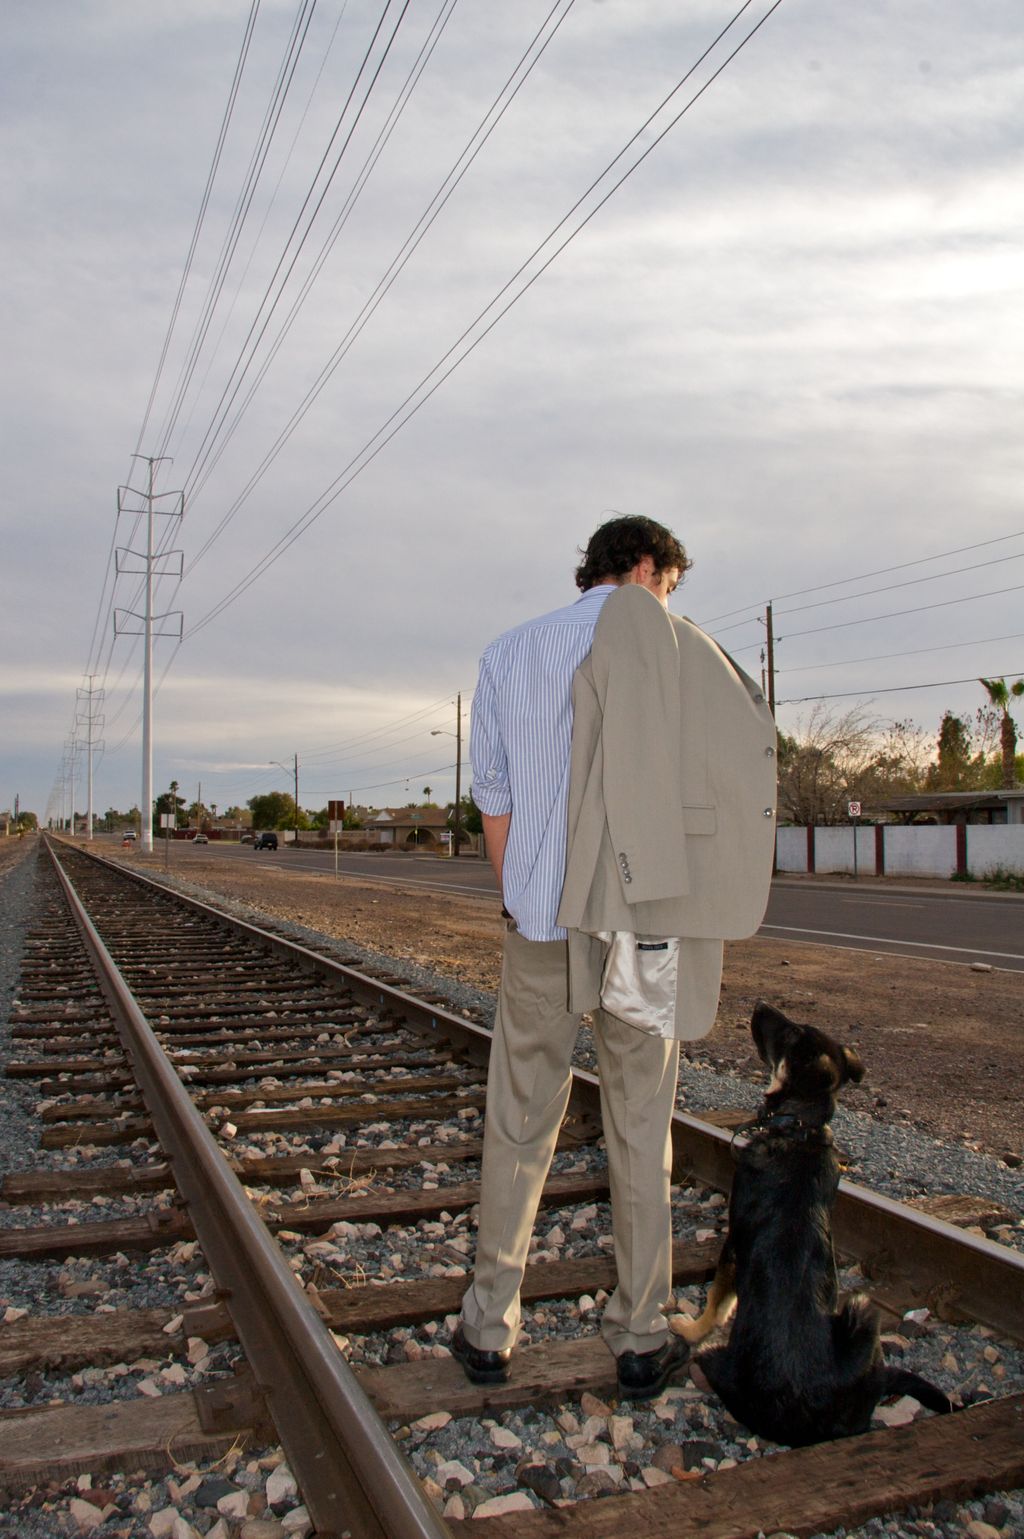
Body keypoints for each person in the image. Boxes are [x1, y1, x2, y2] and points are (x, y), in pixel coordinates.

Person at [452, 514, 776, 1401]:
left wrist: (524, 902)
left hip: (543, 929)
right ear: (644, 568)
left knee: (519, 1121)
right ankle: (638, 1336)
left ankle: (488, 1328)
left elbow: (497, 804)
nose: (668, 602)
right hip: (642, 928)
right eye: (668, 585)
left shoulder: (507, 654)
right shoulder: (680, 653)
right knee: (641, 1127)